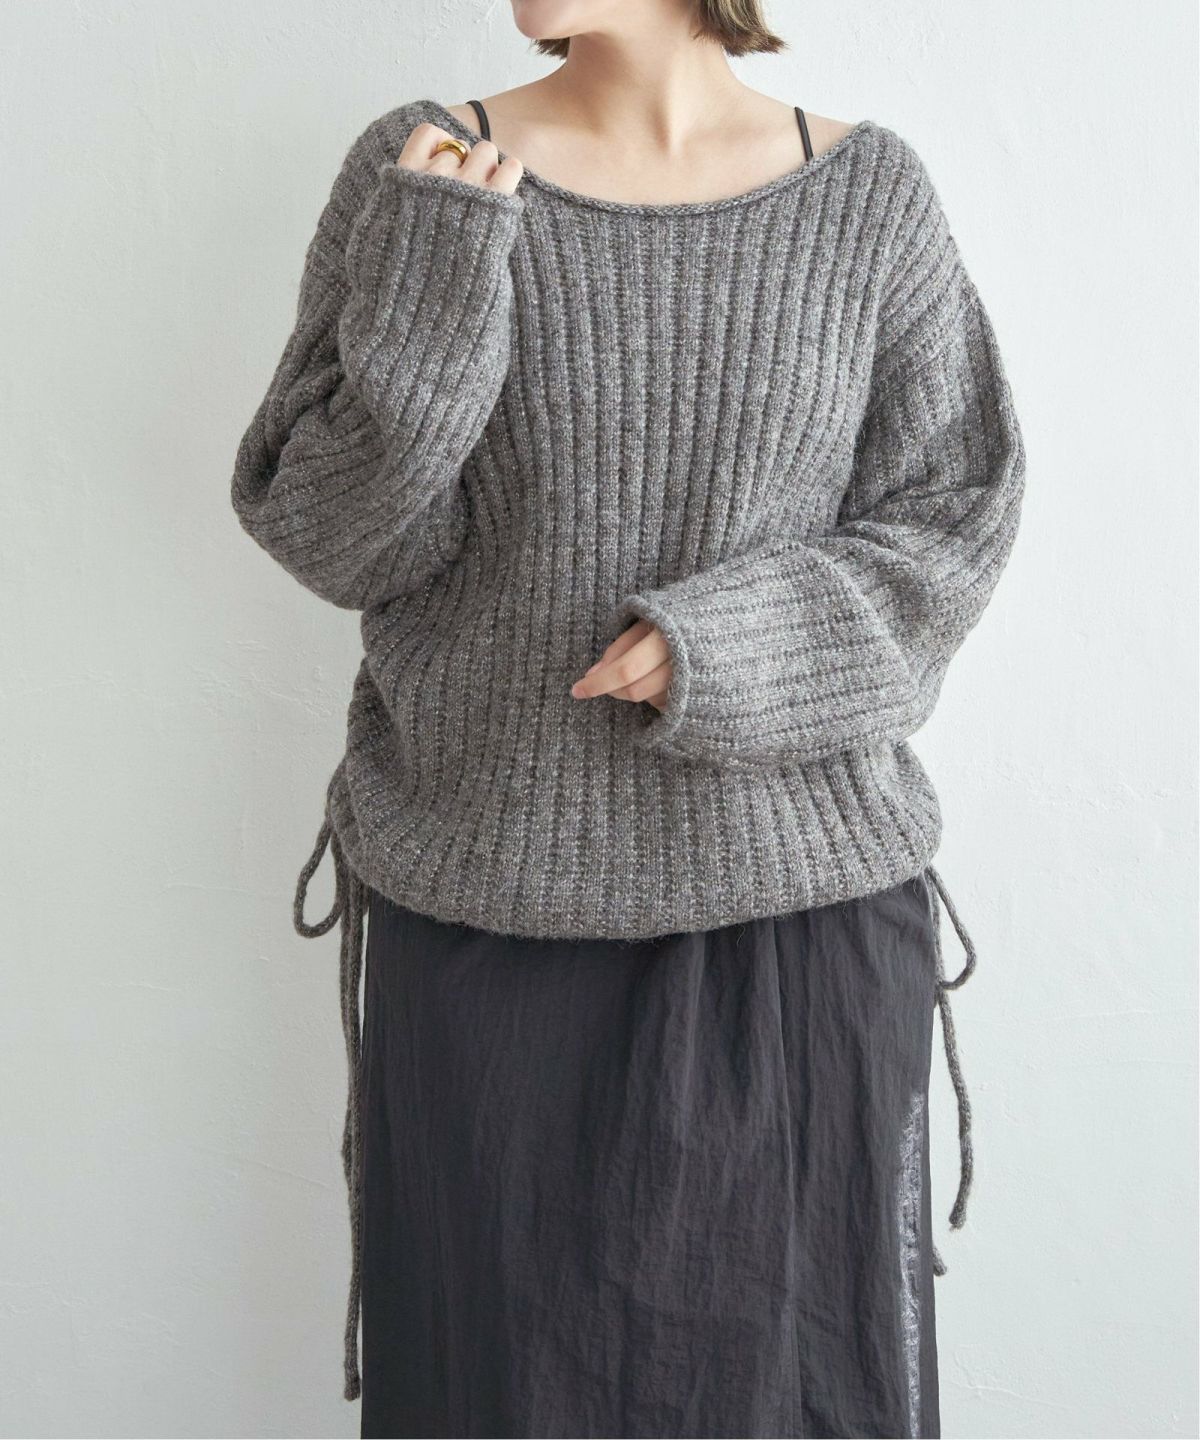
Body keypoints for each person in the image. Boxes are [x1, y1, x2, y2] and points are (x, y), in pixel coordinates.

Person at [230, 1, 1026, 1434]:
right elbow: (331, 538)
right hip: (486, 912)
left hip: (797, 924)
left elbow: (952, 523)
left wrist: (724, 649)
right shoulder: (425, 169)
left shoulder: (867, 195)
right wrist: (436, 300)